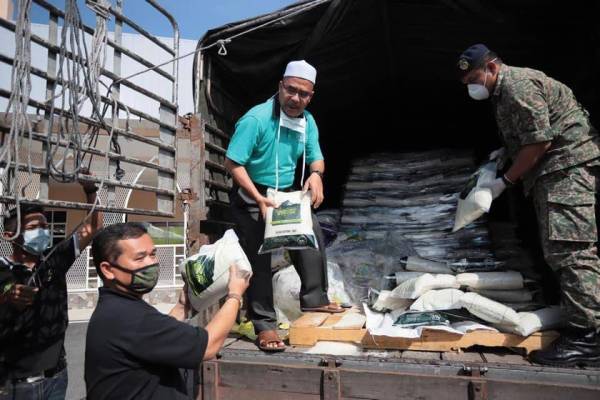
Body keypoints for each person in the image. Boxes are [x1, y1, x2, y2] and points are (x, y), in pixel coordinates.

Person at [458, 43, 600, 367]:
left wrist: (505, 181)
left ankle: (588, 338)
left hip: (566, 171)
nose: (471, 87)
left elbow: (539, 141)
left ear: (492, 67)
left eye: (474, 78)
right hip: (555, 174)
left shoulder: (517, 85)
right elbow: (523, 139)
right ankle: (583, 324)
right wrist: (503, 156)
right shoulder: (503, 94)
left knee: (572, 251)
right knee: (562, 251)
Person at [225, 60, 343, 352]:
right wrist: (257, 195)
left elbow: (316, 156)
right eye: (291, 90)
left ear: (310, 96)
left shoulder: (308, 121)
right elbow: (233, 162)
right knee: (259, 258)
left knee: (311, 237)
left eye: (304, 94)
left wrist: (316, 175)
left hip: (287, 192)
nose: (296, 99)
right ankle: (264, 325)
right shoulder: (256, 119)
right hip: (253, 191)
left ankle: (315, 299)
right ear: (280, 87)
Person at [84, 222, 249, 400]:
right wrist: (234, 295)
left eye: (152, 254)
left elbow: (153, 337)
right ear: (108, 270)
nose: (151, 263)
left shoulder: (116, 309)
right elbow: (208, 347)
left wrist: (181, 308)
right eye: (140, 258)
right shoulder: (129, 317)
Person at [0, 172, 102, 399]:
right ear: (9, 235)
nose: (44, 231)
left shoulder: (54, 259)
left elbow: (92, 227)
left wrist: (90, 190)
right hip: (14, 386)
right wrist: (7, 297)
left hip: (56, 378)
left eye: (45, 226)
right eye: (35, 226)